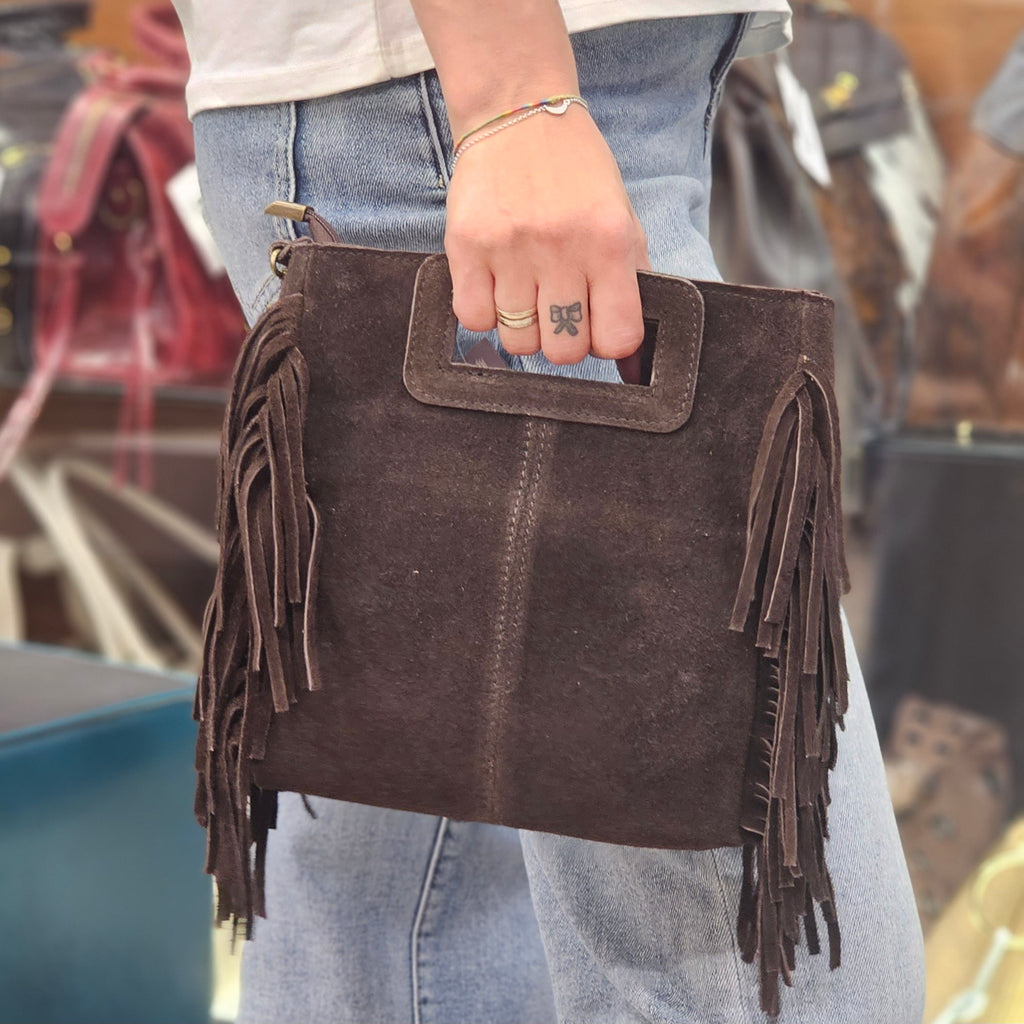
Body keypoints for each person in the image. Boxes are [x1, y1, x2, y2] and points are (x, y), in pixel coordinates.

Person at [176, 2, 926, 1020]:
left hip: (494, 102)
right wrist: (513, 98)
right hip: (469, 104)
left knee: (404, 902)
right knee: (753, 938)